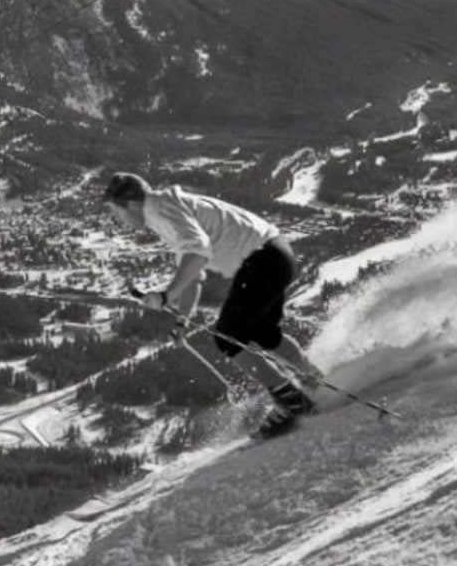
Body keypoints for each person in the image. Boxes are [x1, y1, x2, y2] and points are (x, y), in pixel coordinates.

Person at [102, 171, 321, 436]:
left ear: (132, 205)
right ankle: (315, 380)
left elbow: (197, 251)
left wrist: (165, 296)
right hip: (274, 254)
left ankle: (294, 403)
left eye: (117, 213)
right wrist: (182, 320)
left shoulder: (161, 211)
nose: (119, 220)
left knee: (228, 337)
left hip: (262, 260)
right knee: (262, 334)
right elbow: (194, 276)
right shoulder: (166, 207)